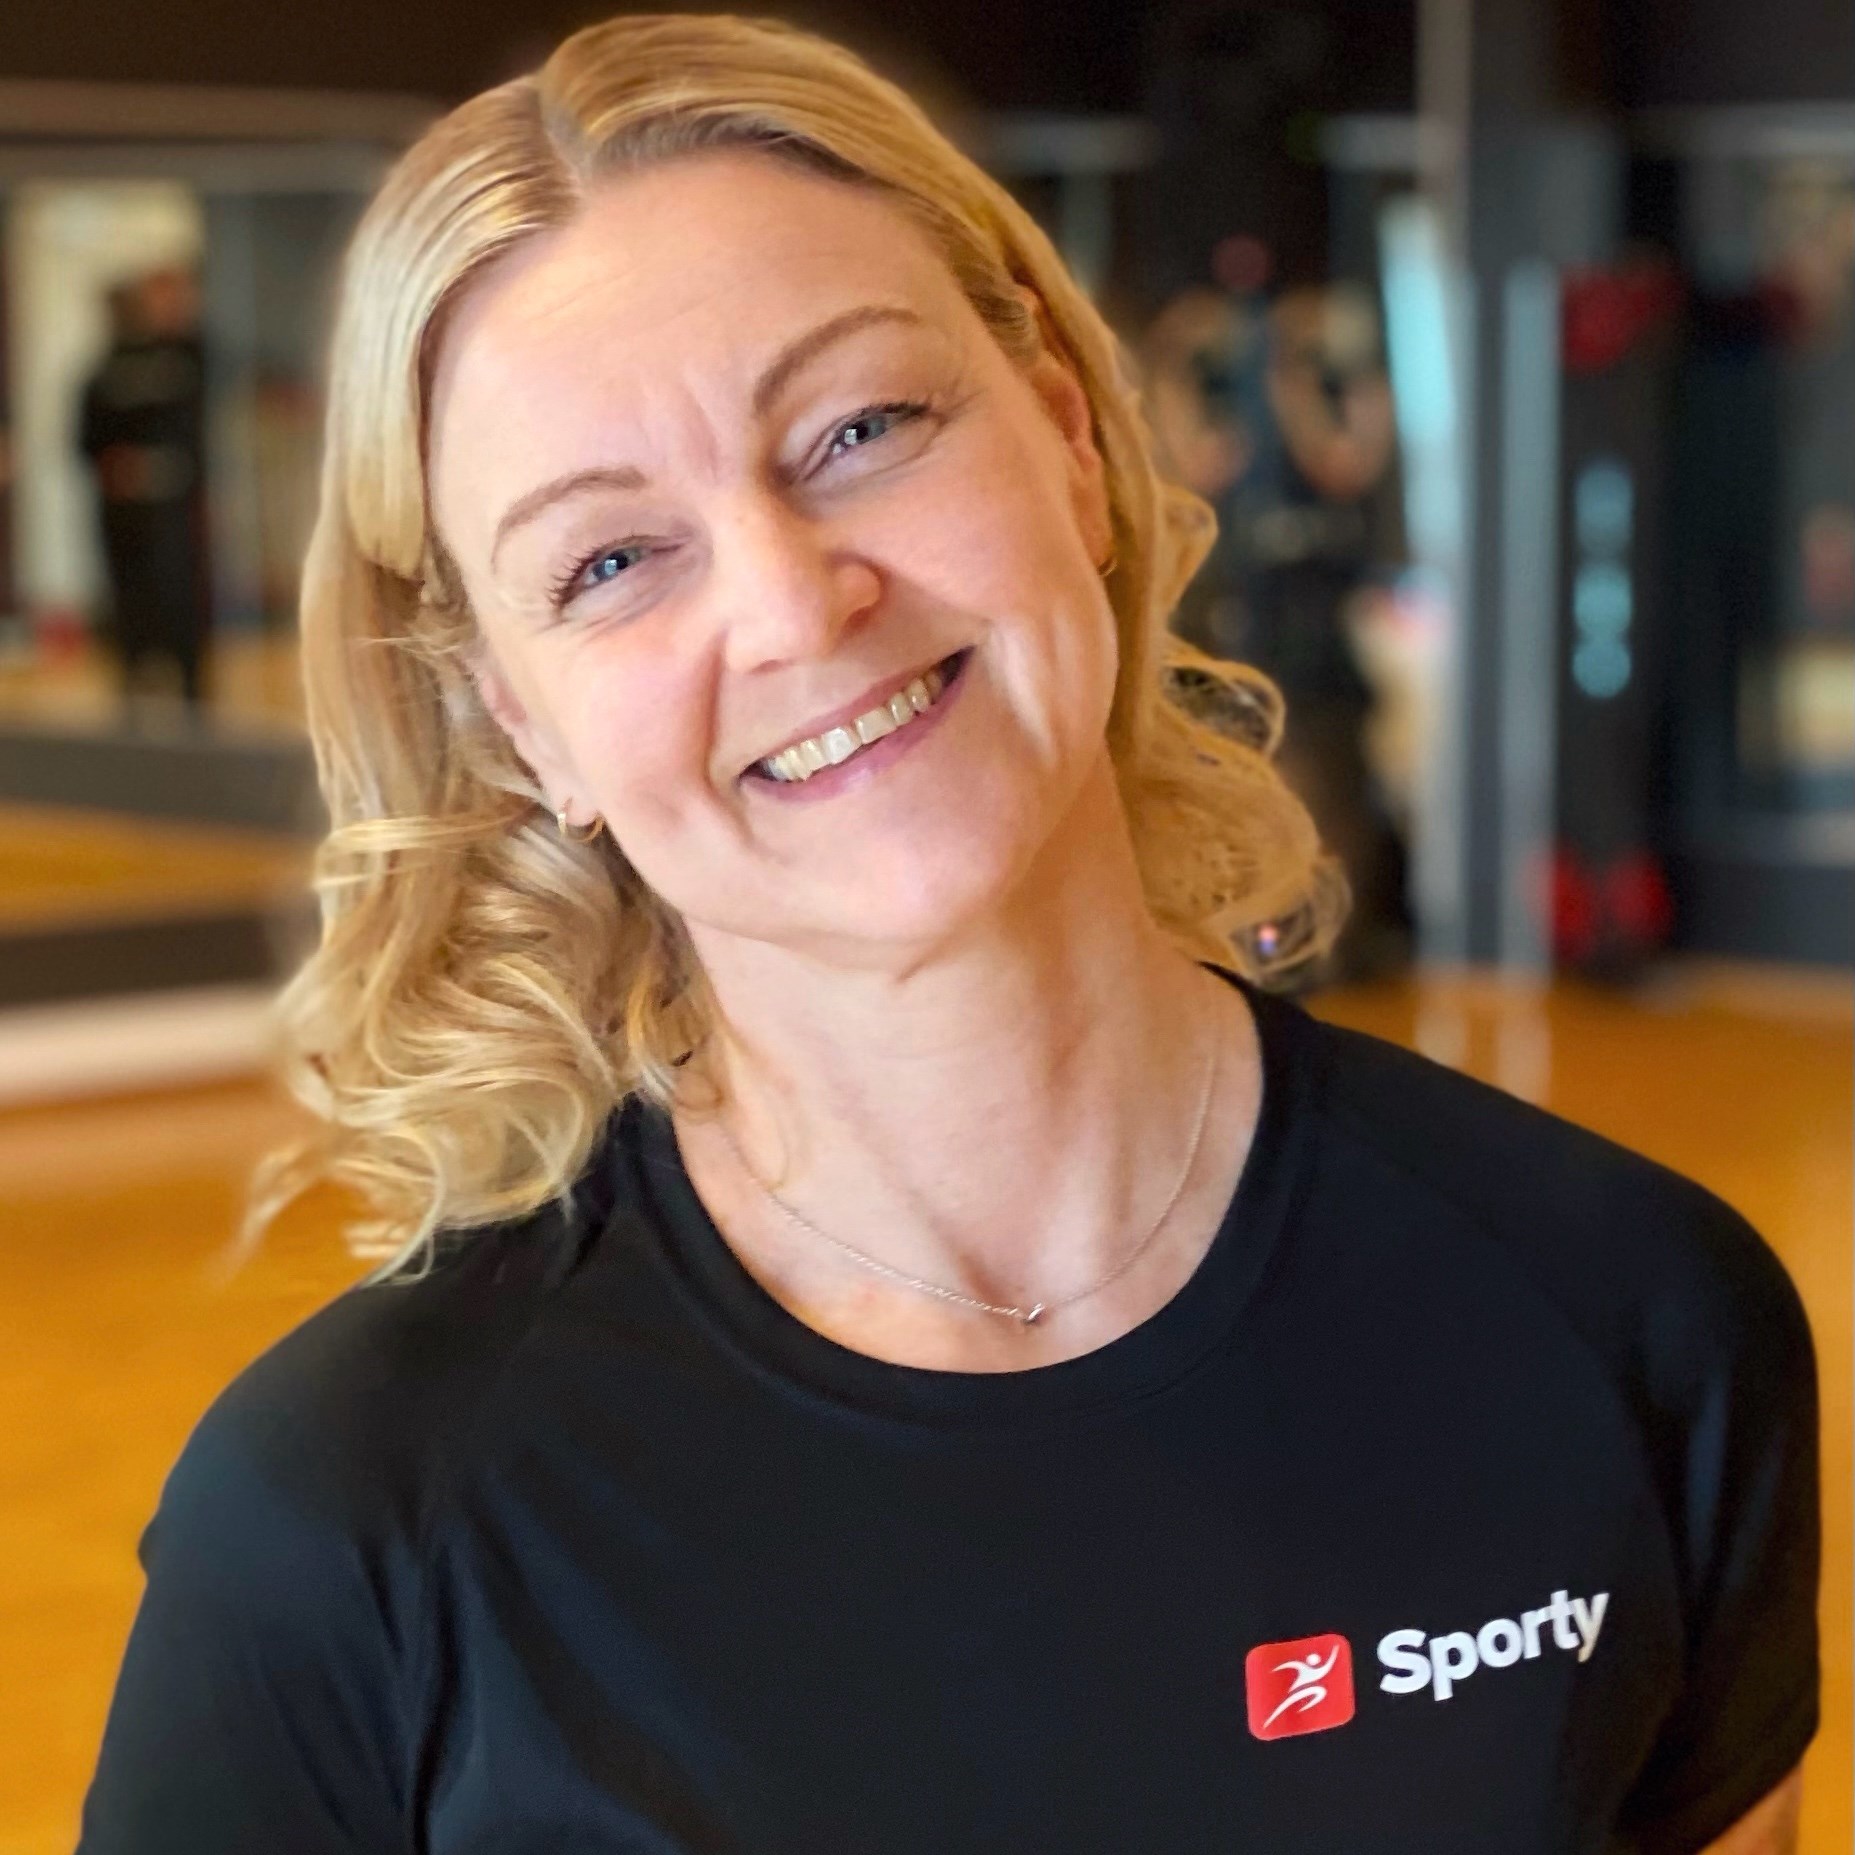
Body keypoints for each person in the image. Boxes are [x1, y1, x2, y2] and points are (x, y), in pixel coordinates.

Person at [79, 17, 1817, 1853]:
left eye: (860, 429)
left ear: (1066, 434)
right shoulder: (345, 1524)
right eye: (609, 561)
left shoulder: (1627, 1314)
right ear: (523, 725)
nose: (791, 603)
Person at [77, 266, 212, 715]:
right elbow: (86, 440)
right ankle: (134, 690)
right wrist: (120, 468)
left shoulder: (193, 362)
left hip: (177, 511)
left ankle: (192, 695)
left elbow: (201, 437)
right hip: (124, 516)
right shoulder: (105, 372)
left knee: (180, 599)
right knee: (132, 604)